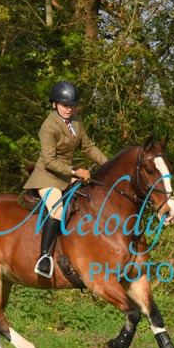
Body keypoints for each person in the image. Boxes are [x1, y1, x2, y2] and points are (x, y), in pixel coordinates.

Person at [23, 81, 108, 278]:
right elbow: (50, 161)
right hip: (47, 176)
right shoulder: (48, 127)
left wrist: (109, 164)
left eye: (72, 105)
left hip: (67, 175)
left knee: (90, 199)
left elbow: (88, 147)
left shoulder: (76, 121)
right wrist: (76, 171)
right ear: (54, 104)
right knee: (57, 209)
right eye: (65, 105)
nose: (69, 109)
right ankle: (44, 258)